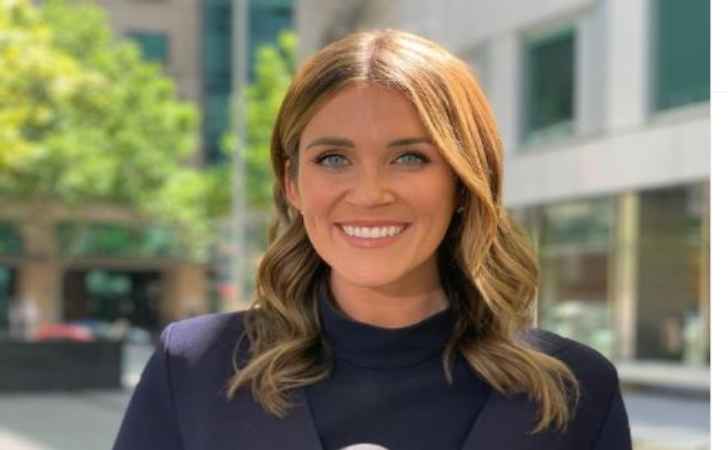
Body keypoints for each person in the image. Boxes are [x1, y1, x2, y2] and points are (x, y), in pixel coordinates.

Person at [113, 29, 632, 450]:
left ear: (463, 180)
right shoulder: (193, 368)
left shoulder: (574, 391)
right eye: (333, 159)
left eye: (409, 158)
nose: (369, 193)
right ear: (293, 184)